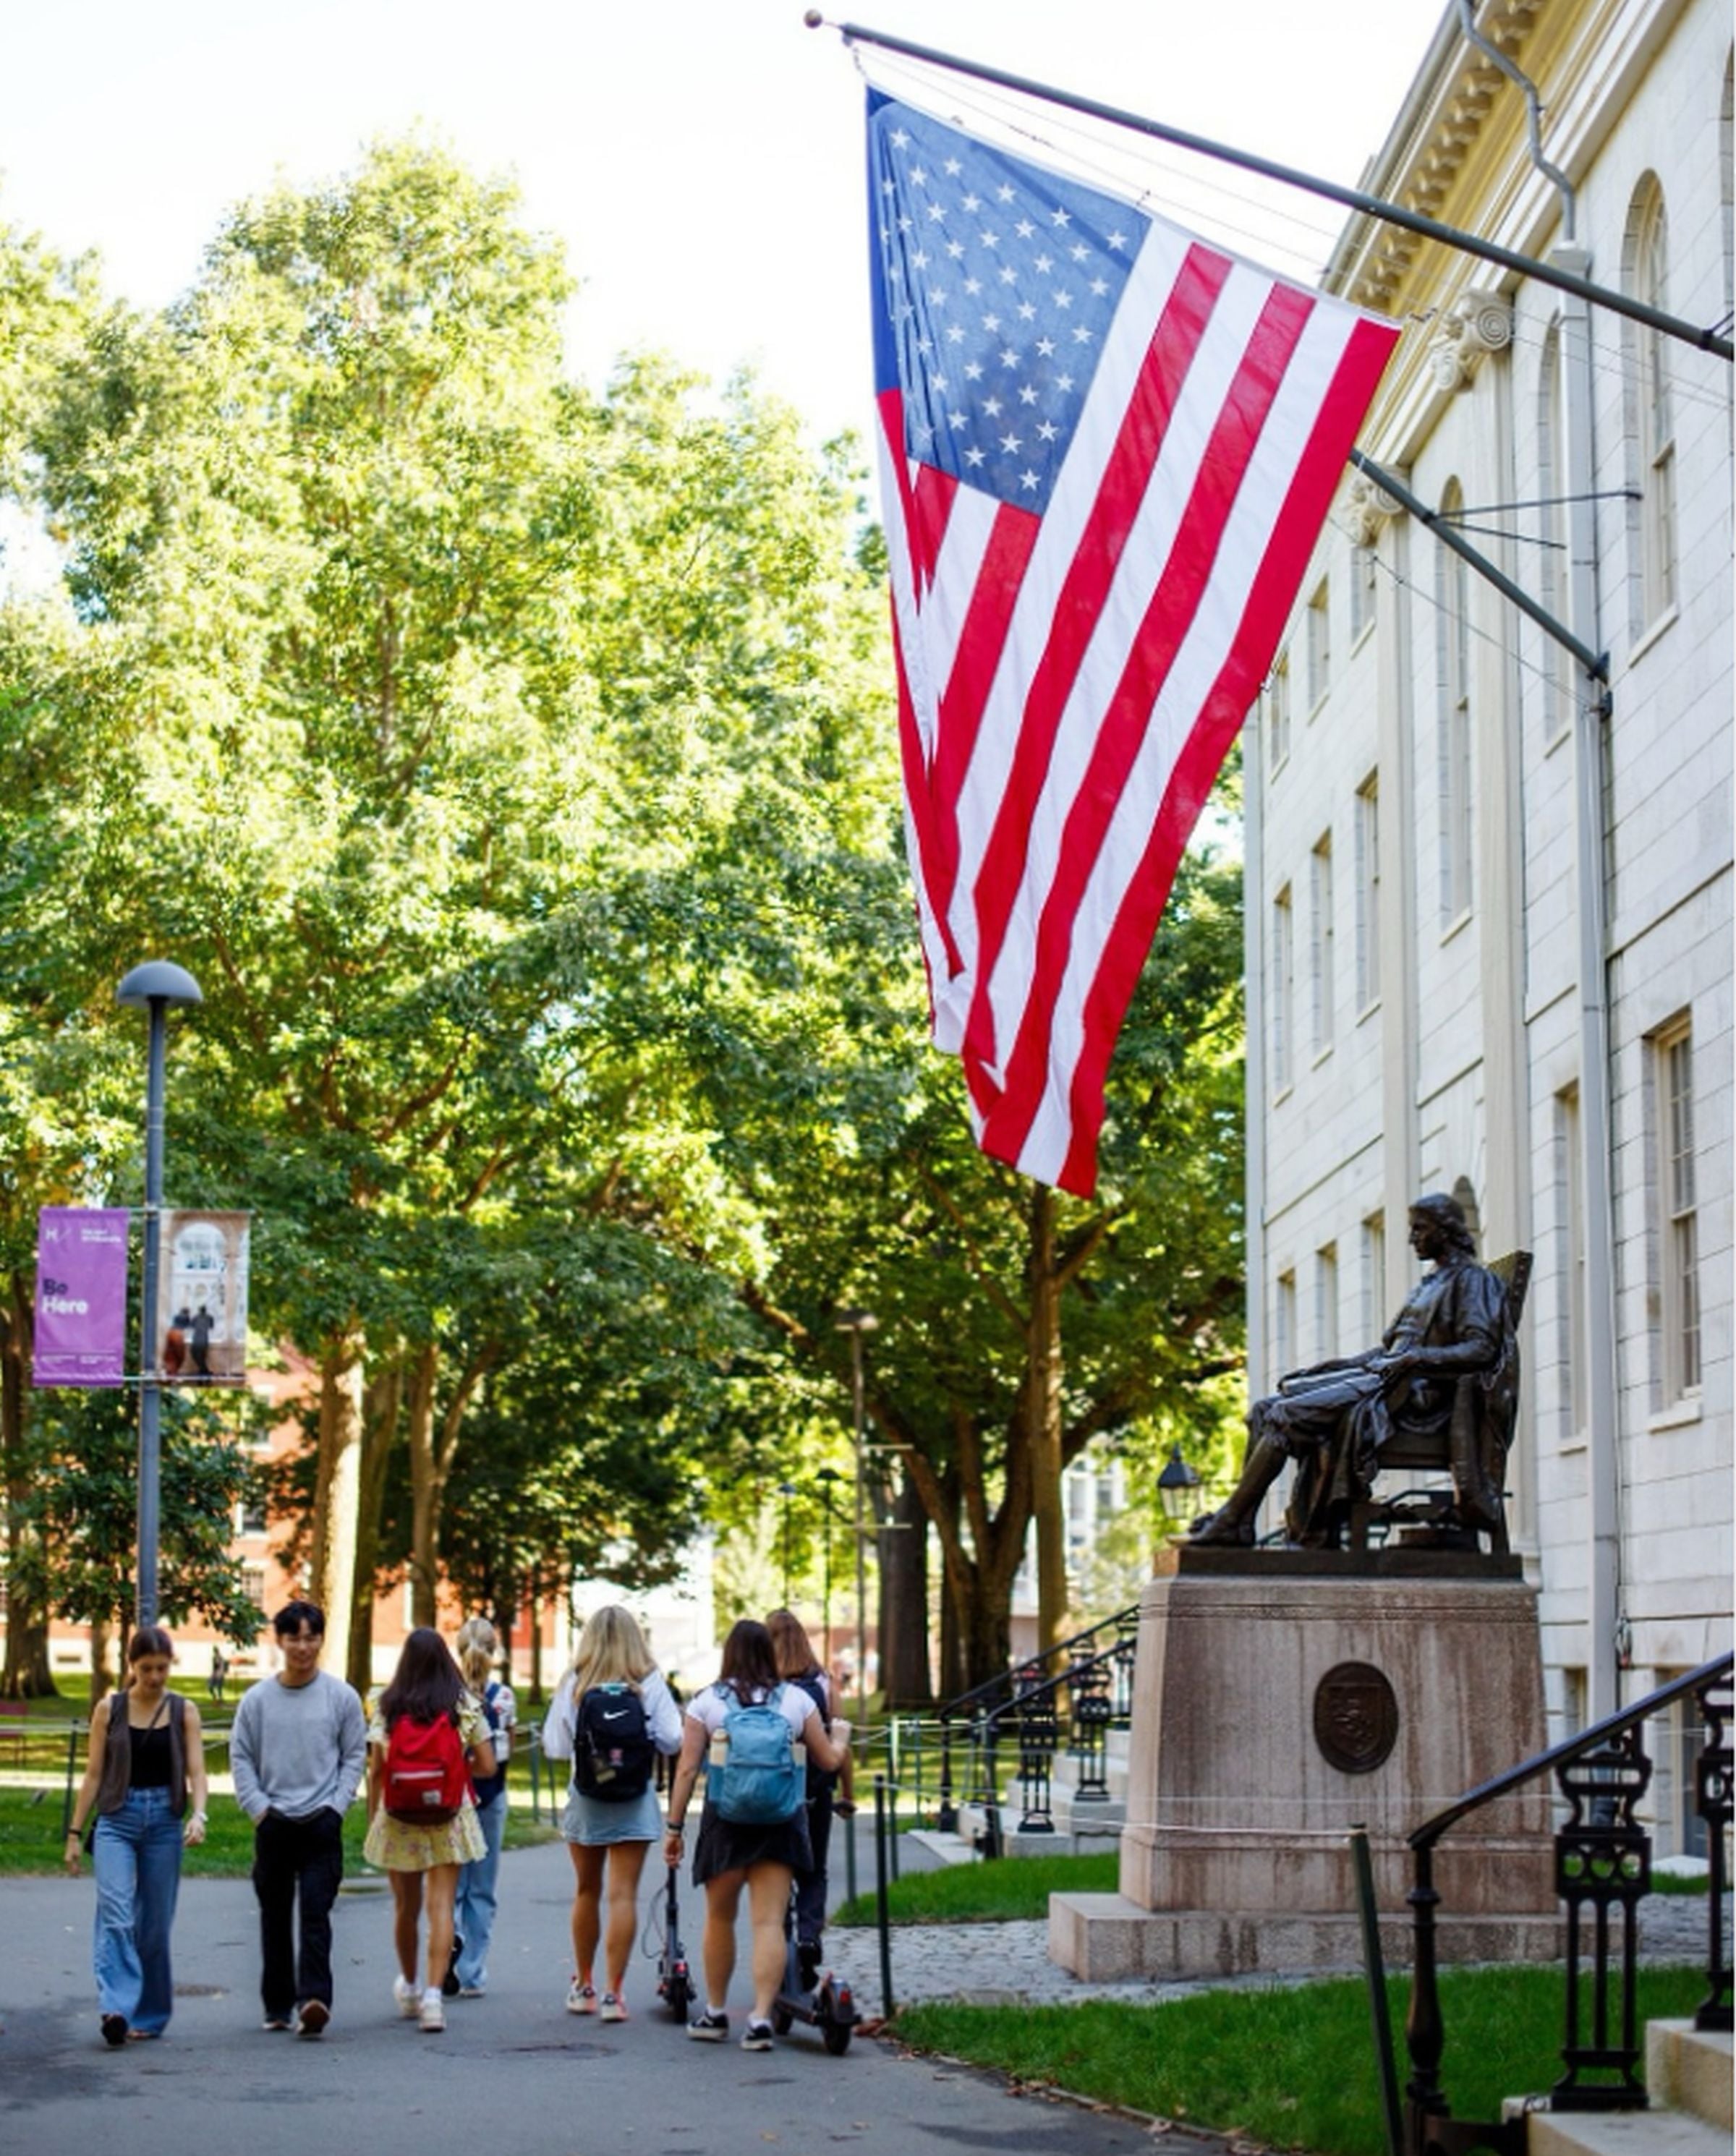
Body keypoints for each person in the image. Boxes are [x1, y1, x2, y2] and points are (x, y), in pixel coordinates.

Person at [1190, 1193, 1508, 1548]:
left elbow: (1482, 1349)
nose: (1411, 1237)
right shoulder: (1431, 1283)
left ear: (1445, 1231)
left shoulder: (1473, 1281)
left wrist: (1414, 1359)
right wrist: (1335, 1366)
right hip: (1385, 1381)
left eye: (1420, 1229)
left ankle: (1232, 1520)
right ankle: (1241, 1525)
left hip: (1417, 1402)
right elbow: (1391, 1351)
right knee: (1264, 1409)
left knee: (1283, 1415)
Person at [663, 1617, 848, 2051]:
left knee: (719, 1919)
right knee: (768, 1922)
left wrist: (674, 1829)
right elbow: (826, 1761)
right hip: (781, 1822)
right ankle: (762, 2018)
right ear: (768, 1653)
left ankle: (715, 2011)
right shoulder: (797, 1701)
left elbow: (687, 1769)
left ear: (729, 1653)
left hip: (725, 1822)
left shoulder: (707, 1702)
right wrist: (840, 1738)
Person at [229, 1598, 367, 2038]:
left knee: (315, 1912)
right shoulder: (258, 1701)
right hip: (274, 1822)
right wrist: (258, 1809)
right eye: (295, 1638)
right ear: (280, 1640)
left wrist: (337, 1807)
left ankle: (314, 2000)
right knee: (274, 1916)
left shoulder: (340, 1697)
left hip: (321, 1822)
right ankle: (276, 2006)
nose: (303, 1647)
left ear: (322, 1640)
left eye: (311, 1638)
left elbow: (354, 1756)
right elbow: (240, 1757)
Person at [64, 1626, 209, 2047]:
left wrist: (199, 1814)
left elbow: (197, 1772)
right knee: (116, 1912)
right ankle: (116, 2008)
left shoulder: (185, 1711)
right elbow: (93, 1775)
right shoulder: (109, 1710)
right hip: (117, 1818)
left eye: (162, 1668)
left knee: (154, 1925)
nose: (155, 1677)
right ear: (132, 1667)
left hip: (164, 1822)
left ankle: (150, 2013)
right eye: (146, 1669)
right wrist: (75, 1832)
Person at [542, 1605, 682, 2022]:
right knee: (623, 1895)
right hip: (634, 1796)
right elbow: (674, 1738)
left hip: (587, 1796)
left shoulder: (576, 1681)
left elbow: (555, 1745)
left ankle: (583, 1985)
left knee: (587, 1890)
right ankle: (613, 1995)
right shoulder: (648, 1681)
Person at [363, 1626, 494, 2032]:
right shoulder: (465, 1705)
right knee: (442, 1908)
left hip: (399, 1817)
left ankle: (411, 1987)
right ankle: (435, 2000)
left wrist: (374, 1818)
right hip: (449, 1816)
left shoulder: (386, 1705)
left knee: (406, 1907)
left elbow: (378, 1770)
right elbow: (488, 1766)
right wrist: (455, 1771)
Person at [765, 1609, 856, 1989]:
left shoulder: (763, 1685)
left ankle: (781, 1947)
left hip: (772, 1794)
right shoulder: (822, 1682)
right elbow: (840, 1742)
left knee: (777, 1872)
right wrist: (848, 1792)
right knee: (814, 1870)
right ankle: (809, 1938)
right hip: (817, 1792)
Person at [448, 1615, 516, 1999]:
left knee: (453, 1887)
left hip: (454, 1799)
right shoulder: (503, 1698)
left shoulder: (447, 1695)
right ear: (495, 1652)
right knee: (483, 1888)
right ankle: (472, 1972)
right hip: (491, 1796)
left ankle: (447, 1958)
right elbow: (503, 1748)